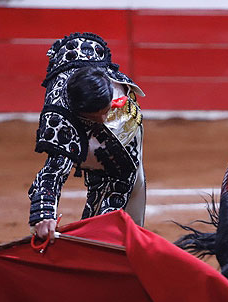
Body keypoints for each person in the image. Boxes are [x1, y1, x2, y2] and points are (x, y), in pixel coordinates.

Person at [28, 32, 145, 242]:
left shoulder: (117, 91)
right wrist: (43, 214)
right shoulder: (59, 120)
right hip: (72, 116)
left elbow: (124, 168)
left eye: (105, 111)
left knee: (128, 178)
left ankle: (125, 238)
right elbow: (53, 172)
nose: (102, 119)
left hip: (118, 134)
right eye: (94, 117)